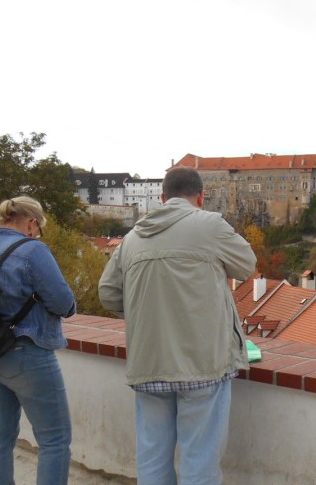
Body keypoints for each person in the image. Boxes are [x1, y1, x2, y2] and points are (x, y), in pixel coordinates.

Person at [98, 167, 256, 485]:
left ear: (161, 198)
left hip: (148, 364)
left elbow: (108, 293)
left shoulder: (132, 238)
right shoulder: (209, 225)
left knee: (153, 460)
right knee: (200, 463)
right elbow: (247, 265)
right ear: (200, 197)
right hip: (203, 365)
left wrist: (147, 315)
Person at [0, 196, 77, 485]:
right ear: (31, 222)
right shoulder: (32, 251)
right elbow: (63, 302)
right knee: (54, 439)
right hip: (26, 353)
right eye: (38, 227)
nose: (38, 233)